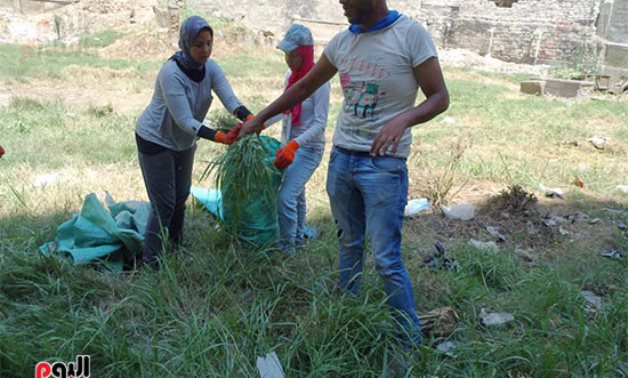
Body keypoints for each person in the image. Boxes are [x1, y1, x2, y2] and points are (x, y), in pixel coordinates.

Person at [240, 0, 449, 346]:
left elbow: (439, 97)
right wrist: (260, 118)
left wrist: (405, 118)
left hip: (383, 166)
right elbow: (303, 87)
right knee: (348, 244)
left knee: (385, 258)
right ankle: (348, 320)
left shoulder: (410, 35)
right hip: (342, 160)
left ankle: (407, 341)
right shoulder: (341, 42)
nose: (341, 3)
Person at [135, 15, 252, 270]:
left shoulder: (210, 68)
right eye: (199, 44)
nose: (205, 50)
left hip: (184, 142)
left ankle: (175, 249)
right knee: (164, 203)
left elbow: (230, 99)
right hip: (156, 139)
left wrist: (250, 117)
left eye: (209, 43)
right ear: (186, 44)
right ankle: (151, 263)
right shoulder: (171, 73)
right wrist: (220, 136)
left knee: (181, 196)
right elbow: (184, 120)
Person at [263, 24, 330, 254]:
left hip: (309, 149)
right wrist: (259, 123)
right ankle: (299, 237)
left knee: (285, 197)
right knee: (297, 194)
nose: (288, 60)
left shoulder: (321, 81)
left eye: (293, 55)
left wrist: (296, 144)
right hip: (290, 147)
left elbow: (320, 125)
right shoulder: (290, 78)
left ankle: (287, 248)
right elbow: (285, 109)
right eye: (286, 55)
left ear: (304, 54)